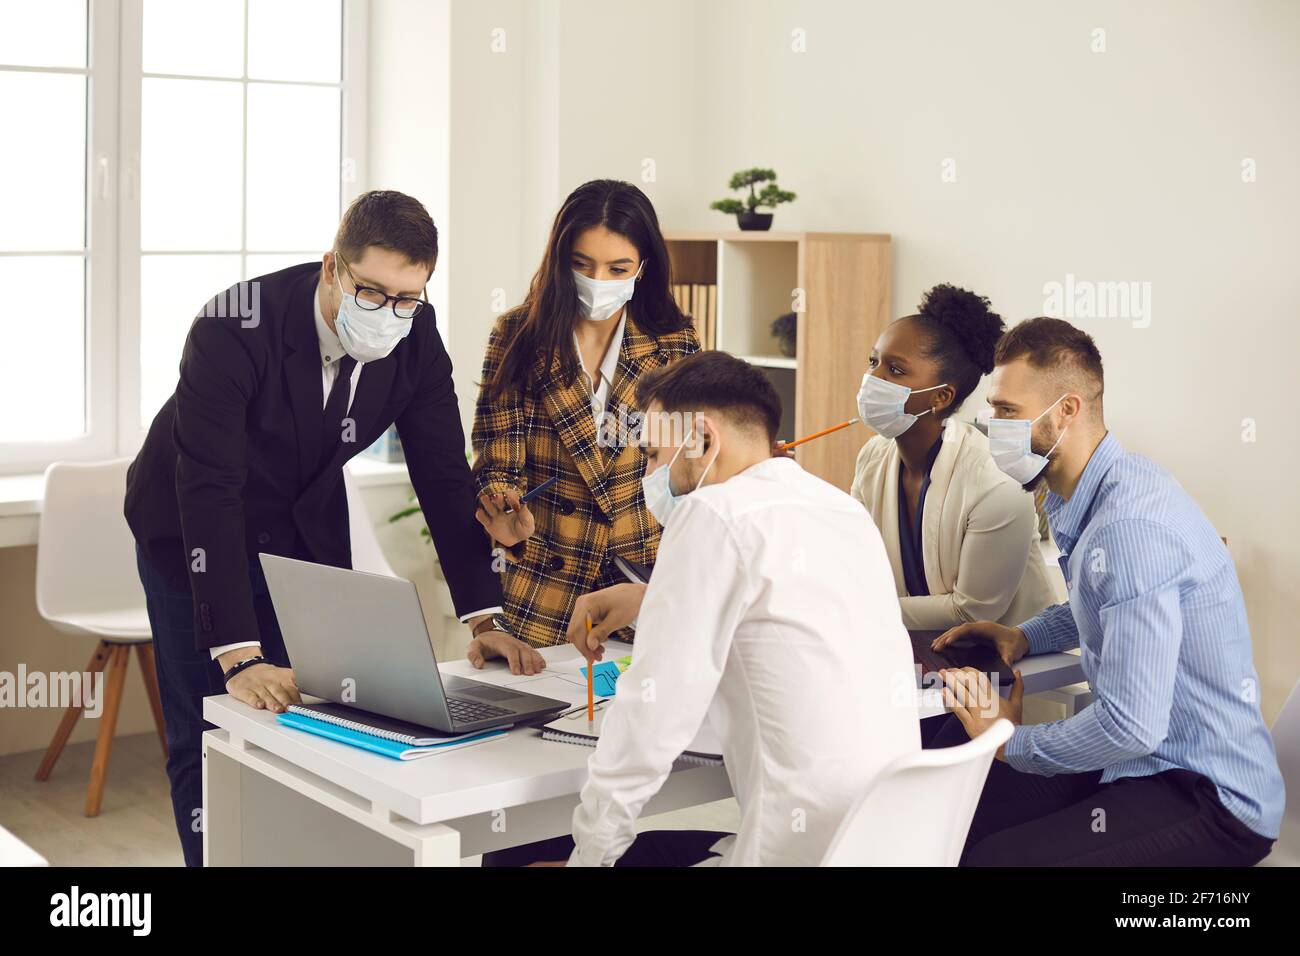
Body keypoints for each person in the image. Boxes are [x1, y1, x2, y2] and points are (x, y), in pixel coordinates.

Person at [124, 190, 503, 866]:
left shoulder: (416, 333)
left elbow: (443, 475)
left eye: (406, 298)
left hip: (301, 524)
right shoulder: (232, 326)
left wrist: (483, 616)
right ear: (333, 266)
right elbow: (210, 490)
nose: (389, 314)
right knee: (210, 728)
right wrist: (237, 654)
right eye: (371, 291)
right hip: (189, 530)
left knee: (318, 719)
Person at [503, 351, 920, 866]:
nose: (649, 474)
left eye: (653, 454)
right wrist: (652, 602)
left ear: (700, 437)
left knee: (522, 853)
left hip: (793, 854)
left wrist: (590, 857)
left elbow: (652, 719)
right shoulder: (840, 509)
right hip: (883, 844)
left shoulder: (712, 511)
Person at [928, 317, 1284, 866]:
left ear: (1066, 409)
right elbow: (1104, 596)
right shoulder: (1097, 489)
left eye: (1006, 412)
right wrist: (1024, 635)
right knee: (954, 815)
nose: (991, 426)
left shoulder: (1129, 525)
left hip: (1205, 792)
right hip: (1138, 761)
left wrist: (1009, 742)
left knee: (997, 860)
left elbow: (1129, 725)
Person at [468, 179, 699, 673]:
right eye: (582, 264)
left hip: (642, 593)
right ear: (559, 260)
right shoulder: (517, 336)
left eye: (617, 268)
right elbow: (495, 461)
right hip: (541, 601)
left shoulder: (675, 341)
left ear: (643, 267)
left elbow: (690, 466)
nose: (599, 279)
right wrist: (505, 512)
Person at [850, 284, 1057, 632]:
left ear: (941, 397)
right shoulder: (873, 457)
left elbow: (972, 613)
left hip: (1014, 667)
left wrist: (859, 610)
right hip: (920, 652)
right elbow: (857, 563)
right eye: (873, 362)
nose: (873, 378)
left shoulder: (997, 482)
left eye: (895, 370)